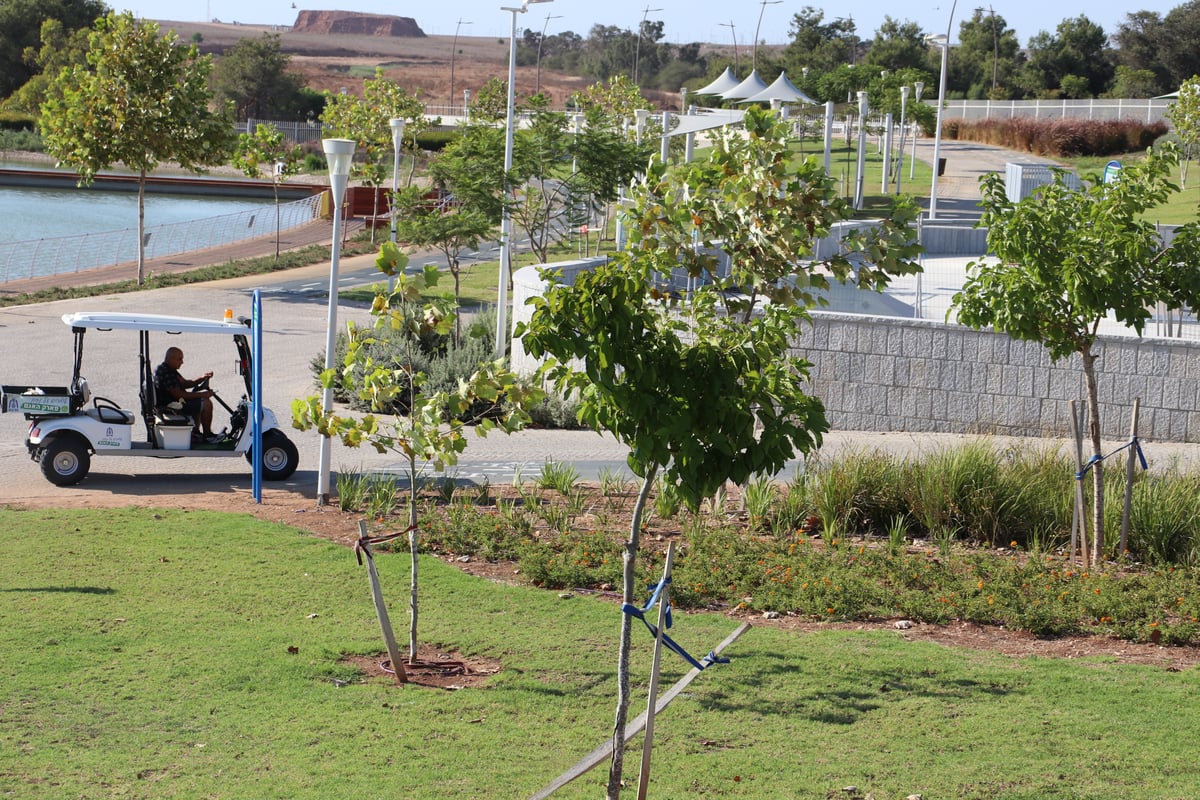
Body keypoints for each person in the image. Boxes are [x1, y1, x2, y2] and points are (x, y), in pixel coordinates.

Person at [154, 346, 218, 443]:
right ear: (171, 359)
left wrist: (201, 378)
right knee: (206, 403)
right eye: (179, 359)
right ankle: (208, 435)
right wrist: (202, 395)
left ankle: (195, 433)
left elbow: (185, 383)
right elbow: (179, 395)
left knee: (197, 400)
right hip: (171, 407)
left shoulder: (170, 369)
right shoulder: (165, 372)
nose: (182, 362)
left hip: (176, 402)